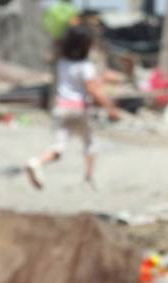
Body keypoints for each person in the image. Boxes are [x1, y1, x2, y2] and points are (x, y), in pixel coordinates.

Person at [25, 23, 121, 190]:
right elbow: (92, 89)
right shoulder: (86, 66)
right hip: (79, 109)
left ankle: (37, 162)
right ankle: (88, 178)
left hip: (61, 108)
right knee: (90, 143)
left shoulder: (62, 63)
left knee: (58, 146)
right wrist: (111, 108)